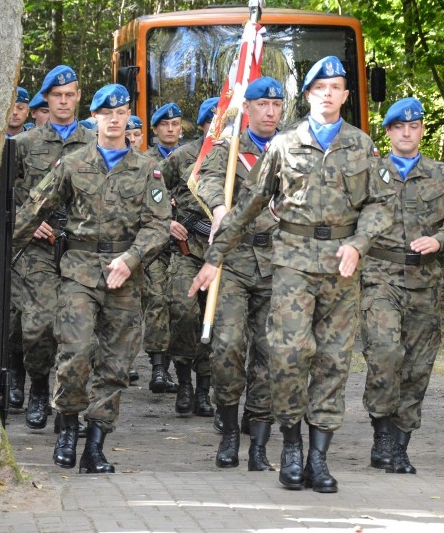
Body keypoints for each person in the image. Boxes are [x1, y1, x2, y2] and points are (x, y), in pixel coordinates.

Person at [189, 56, 394, 493]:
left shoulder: (363, 146)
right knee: (288, 355)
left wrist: (359, 244)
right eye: (320, 88)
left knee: (334, 361)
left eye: (336, 87)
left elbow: (382, 205)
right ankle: (291, 446)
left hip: (341, 266)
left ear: (344, 95)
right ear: (308, 96)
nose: (328, 94)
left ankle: (319, 458)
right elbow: (249, 206)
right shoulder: (285, 145)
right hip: (292, 265)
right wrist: (215, 256)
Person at [12, 83, 171, 473]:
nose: (115, 120)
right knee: (75, 353)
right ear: (95, 118)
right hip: (80, 270)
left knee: (115, 365)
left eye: (121, 113)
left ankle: (96, 444)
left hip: (125, 277)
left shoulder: (146, 169)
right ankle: (67, 427)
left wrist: (132, 258)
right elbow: (34, 208)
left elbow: (159, 225)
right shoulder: (72, 163)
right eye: (107, 113)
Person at [360, 97, 444, 474]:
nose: (407, 132)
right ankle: (381, 434)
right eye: (399, 127)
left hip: (424, 281)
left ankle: (399, 445)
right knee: (384, 354)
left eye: (414, 126)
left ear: (422, 130)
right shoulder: (369, 173)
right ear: (389, 131)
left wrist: (440, 240)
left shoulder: (442, 175)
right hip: (380, 277)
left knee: (417, 366)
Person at [196, 79, 283, 470]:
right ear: (246, 108)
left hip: (280, 264)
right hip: (232, 260)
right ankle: (229, 431)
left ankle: (260, 445)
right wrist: (217, 208)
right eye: (262, 104)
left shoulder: (293, 149)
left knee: (269, 356)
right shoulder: (229, 149)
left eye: (276, 104)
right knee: (227, 347)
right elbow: (206, 179)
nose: (270, 111)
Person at [12, 65, 96, 430]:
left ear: (79, 97)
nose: (63, 102)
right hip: (37, 247)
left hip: (81, 248)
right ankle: (38, 388)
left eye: (70, 95)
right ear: (46, 99)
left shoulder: (96, 144)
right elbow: (5, 197)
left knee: (78, 330)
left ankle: (69, 402)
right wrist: (30, 222)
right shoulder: (24, 145)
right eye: (56, 96)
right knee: (40, 325)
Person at [158, 97, 219, 416]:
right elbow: (151, 193)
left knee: (215, 321)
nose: (217, 128)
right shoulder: (181, 157)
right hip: (187, 252)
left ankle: (204, 390)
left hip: (223, 256)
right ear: (202, 125)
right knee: (182, 313)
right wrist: (166, 222)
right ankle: (183, 382)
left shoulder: (238, 158)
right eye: (212, 122)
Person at [140, 102, 184, 395]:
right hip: (155, 244)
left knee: (179, 304)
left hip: (187, 244)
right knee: (156, 300)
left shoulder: (194, 157)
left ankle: (184, 370)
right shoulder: (143, 161)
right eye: (165, 125)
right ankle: (158, 368)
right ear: (155, 129)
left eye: (176, 124)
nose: (170, 129)